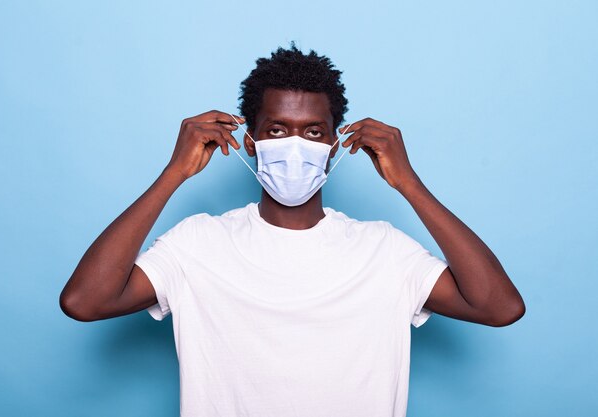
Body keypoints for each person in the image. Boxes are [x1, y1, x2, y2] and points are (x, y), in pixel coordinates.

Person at [60, 44, 525, 417]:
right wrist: (172, 175)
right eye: (278, 131)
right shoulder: (198, 243)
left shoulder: (382, 250)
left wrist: (409, 184)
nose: (296, 146)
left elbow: (499, 307)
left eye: (314, 132)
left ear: (336, 141)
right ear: (250, 142)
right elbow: (85, 301)